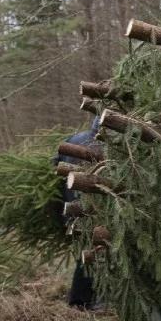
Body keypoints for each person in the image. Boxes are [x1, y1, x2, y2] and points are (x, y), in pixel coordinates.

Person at [56, 119, 102, 308]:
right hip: (85, 208)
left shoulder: (75, 138)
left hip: (70, 205)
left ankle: (82, 299)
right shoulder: (97, 146)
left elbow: (55, 162)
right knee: (91, 252)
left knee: (87, 251)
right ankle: (80, 300)